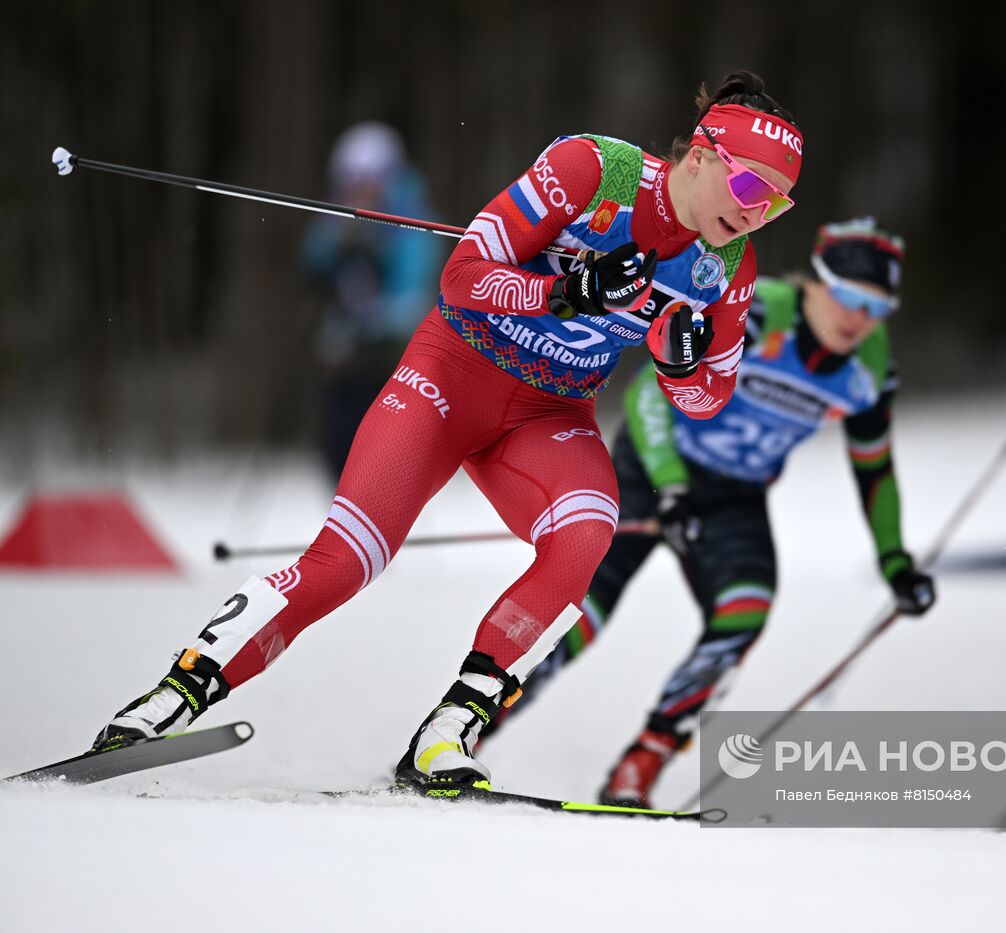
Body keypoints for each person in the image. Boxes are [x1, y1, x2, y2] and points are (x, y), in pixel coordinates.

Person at [89, 71, 804, 796]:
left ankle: (448, 731)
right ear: (704, 153)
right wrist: (568, 290)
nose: (756, 216)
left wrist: (677, 362)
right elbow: (462, 276)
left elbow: (707, 397)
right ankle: (172, 696)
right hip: (452, 374)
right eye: (750, 189)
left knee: (589, 531)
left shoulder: (728, 268)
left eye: (776, 204)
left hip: (550, 414)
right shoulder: (594, 171)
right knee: (348, 560)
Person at [482, 218, 936, 807]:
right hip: (654, 468)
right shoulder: (760, 312)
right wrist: (669, 488)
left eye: (877, 308)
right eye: (848, 297)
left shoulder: (870, 370)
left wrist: (895, 561)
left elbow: (874, 468)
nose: (858, 319)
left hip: (734, 496)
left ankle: (644, 760)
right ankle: (472, 724)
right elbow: (651, 392)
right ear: (814, 283)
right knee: (580, 612)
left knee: (743, 613)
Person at [301, 121, 443, 476]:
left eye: (367, 181)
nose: (359, 191)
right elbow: (311, 265)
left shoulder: (411, 223)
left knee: (383, 458)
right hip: (344, 363)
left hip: (388, 360)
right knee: (338, 451)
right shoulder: (337, 219)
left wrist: (374, 319)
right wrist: (340, 245)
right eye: (350, 182)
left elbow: (412, 295)